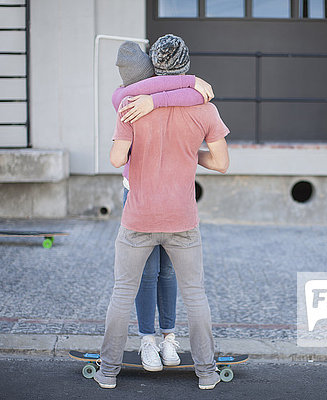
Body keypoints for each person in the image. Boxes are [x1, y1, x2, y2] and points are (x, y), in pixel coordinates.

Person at [94, 34, 230, 390]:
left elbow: (115, 159)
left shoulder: (132, 105)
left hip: (138, 217)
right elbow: (222, 163)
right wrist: (190, 155)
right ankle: (207, 373)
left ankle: (108, 372)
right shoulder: (205, 108)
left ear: (154, 65)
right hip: (182, 219)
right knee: (196, 294)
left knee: (123, 292)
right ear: (185, 65)